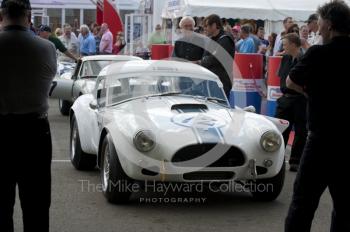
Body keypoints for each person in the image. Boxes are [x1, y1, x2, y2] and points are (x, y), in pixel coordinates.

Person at [285, 1, 350, 231]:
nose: (317, 28)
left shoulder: (318, 53)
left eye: (320, 22)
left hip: (321, 140)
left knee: (302, 204)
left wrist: (309, 91)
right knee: (345, 208)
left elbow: (290, 81)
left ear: (329, 25)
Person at [0, 0, 57, 231]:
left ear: (2, 16)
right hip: (34, 132)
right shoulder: (46, 48)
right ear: (28, 16)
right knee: (36, 204)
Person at [275, 33, 307, 172]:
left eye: (285, 44)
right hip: (285, 99)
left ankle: (295, 160)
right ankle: (278, 158)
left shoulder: (304, 59)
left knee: (300, 131)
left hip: (299, 99)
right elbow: (280, 75)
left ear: (294, 45)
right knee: (280, 130)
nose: (283, 47)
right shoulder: (286, 58)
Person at [199, 14, 235, 98]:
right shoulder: (212, 39)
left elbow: (216, 59)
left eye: (206, 26)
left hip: (222, 82)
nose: (205, 29)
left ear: (214, 25)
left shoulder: (225, 39)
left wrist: (203, 60)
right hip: (211, 81)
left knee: (221, 109)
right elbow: (205, 57)